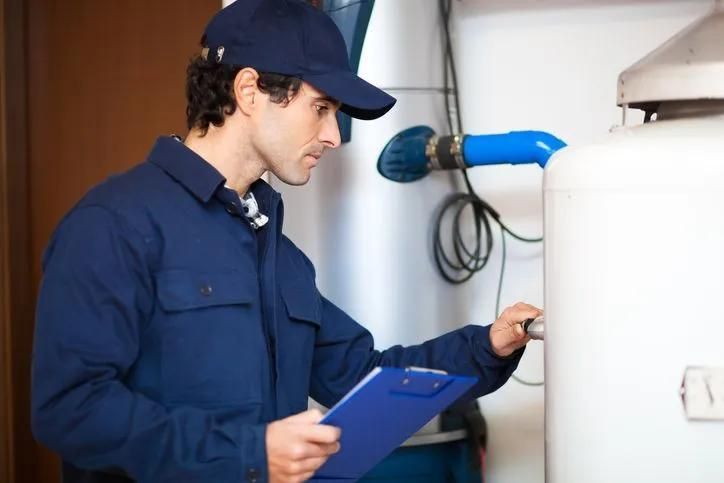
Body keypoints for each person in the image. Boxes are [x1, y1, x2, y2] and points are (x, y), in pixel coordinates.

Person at [30, 1, 542, 482]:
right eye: (320, 108)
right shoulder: (113, 224)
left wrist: (488, 346)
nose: (334, 136)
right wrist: (249, 455)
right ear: (249, 91)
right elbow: (71, 410)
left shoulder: (275, 251)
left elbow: (365, 377)